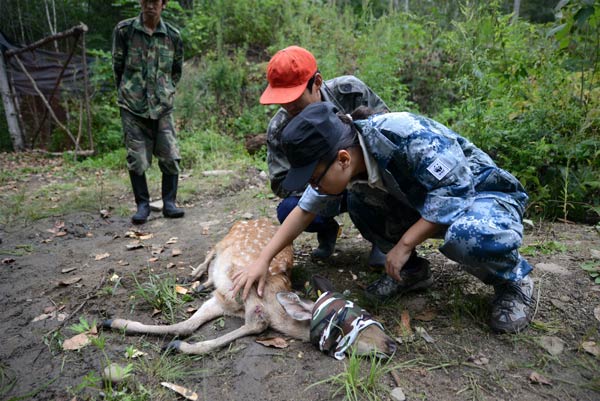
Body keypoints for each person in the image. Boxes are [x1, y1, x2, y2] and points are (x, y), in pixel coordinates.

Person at [232, 102, 535, 334]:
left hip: (484, 195)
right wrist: (263, 259)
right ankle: (412, 273)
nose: (313, 187)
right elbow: (303, 211)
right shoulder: (349, 160)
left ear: (343, 159)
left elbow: (454, 192)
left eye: (315, 179)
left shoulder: (406, 134)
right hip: (427, 200)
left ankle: (513, 281)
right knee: (360, 200)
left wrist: (404, 243)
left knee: (468, 237)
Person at [259, 45, 389, 264]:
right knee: (288, 210)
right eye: (282, 98)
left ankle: (384, 239)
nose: (289, 105)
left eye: (294, 97)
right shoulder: (279, 129)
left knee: (373, 185)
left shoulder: (351, 92)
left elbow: (384, 132)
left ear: (317, 82)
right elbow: (282, 184)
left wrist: (351, 173)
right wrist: (320, 177)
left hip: (368, 177)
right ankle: (327, 229)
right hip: (321, 188)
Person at [112, 0, 184, 224]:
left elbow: (176, 70)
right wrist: (129, 92)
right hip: (132, 107)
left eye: (155, 1)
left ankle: (169, 203)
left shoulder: (172, 35)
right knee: (137, 159)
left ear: (164, 4)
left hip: (162, 107)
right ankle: (142, 205)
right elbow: (118, 66)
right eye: (146, 0)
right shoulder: (125, 31)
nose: (150, 5)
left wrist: (166, 91)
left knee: (171, 156)